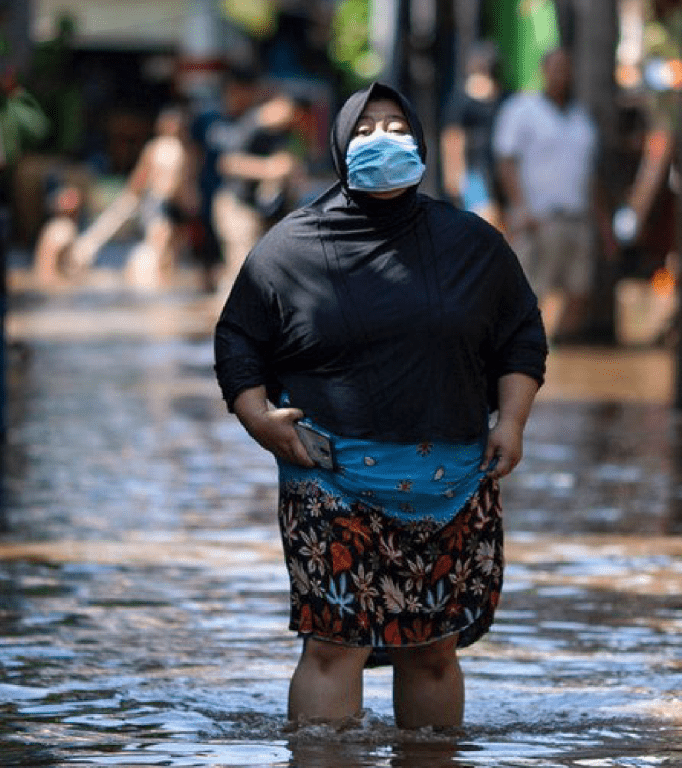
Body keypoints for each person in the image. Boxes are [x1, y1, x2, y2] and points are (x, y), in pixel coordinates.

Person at [214, 82, 547, 729]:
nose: (382, 140)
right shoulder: (290, 247)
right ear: (339, 147)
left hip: (452, 482)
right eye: (365, 129)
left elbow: (521, 335)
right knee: (333, 649)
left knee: (432, 653)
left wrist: (513, 419)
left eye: (396, 127)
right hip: (331, 478)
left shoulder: (473, 244)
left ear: (420, 143)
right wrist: (257, 418)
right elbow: (238, 339)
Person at [493, 47, 600, 341]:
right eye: (555, 67)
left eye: (566, 68)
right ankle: (527, 352)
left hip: (577, 218)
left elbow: (590, 175)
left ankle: (556, 352)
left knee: (579, 290)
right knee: (532, 289)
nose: (561, 74)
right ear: (543, 70)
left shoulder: (581, 118)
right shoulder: (521, 110)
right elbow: (506, 161)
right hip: (540, 218)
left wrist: (602, 224)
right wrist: (521, 208)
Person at [191, 66, 301, 294]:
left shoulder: (264, 125)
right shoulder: (218, 120)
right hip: (228, 201)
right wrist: (269, 169)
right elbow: (226, 162)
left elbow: (286, 160)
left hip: (258, 206)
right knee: (233, 268)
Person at [71, 106, 196, 290]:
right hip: (157, 201)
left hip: (173, 203)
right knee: (159, 242)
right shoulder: (157, 147)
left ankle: (164, 285)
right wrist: (131, 195)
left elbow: (185, 180)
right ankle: (155, 284)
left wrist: (189, 204)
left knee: (171, 247)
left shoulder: (184, 150)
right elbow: (142, 175)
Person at [440, 40, 505, 231]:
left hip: (498, 168)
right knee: (484, 220)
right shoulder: (462, 100)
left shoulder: (502, 96)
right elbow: (453, 138)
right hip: (474, 169)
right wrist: (453, 174)